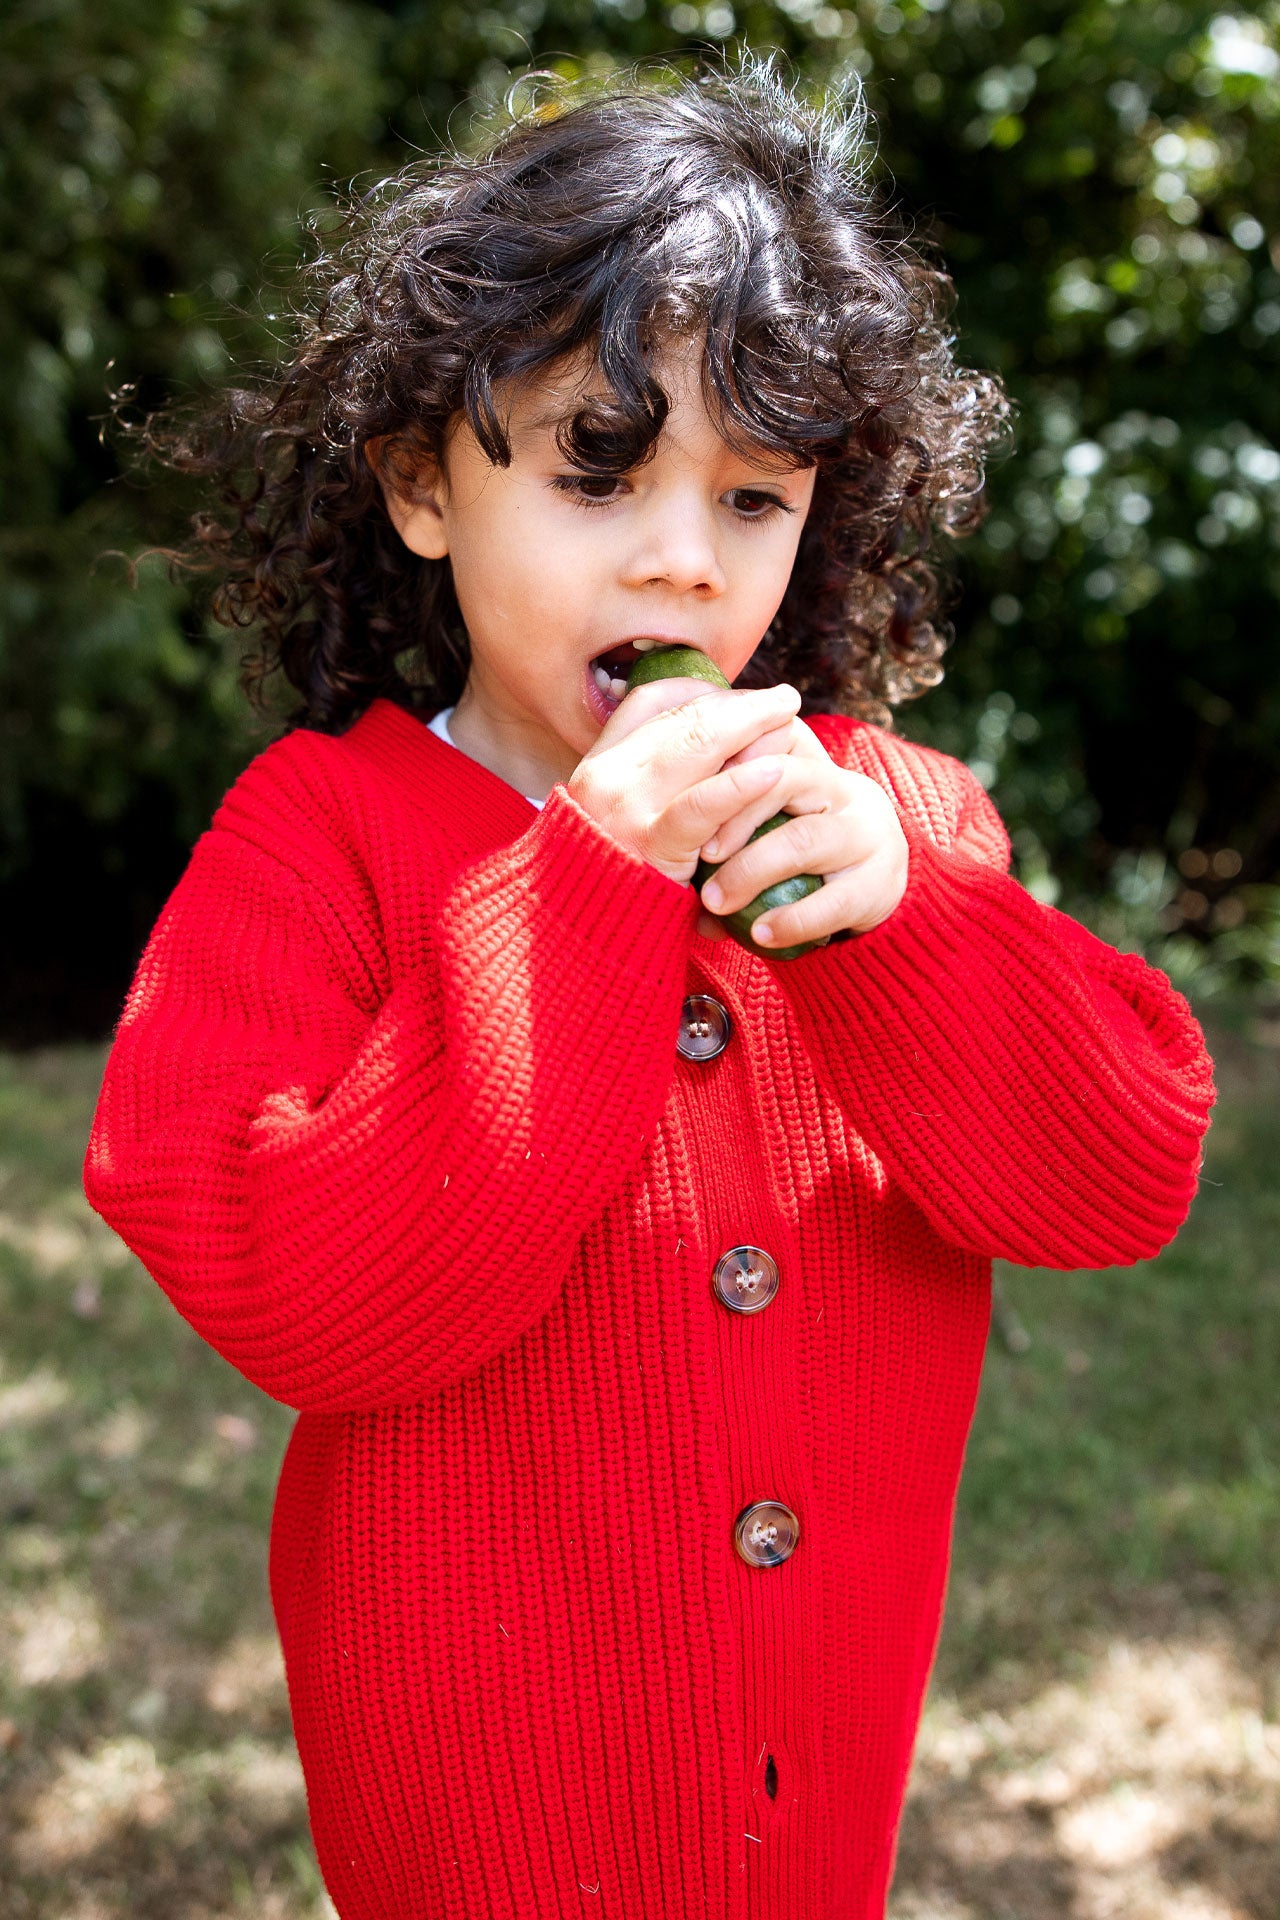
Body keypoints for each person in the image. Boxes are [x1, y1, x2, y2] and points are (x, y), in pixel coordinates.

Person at [83, 51, 1215, 1920]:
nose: (683, 558)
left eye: (754, 499)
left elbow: (1116, 1179)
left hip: (816, 1790)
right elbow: (299, 1294)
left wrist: (910, 926)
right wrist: (589, 890)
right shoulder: (324, 837)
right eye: (599, 470)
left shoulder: (890, 823)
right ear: (424, 487)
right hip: (474, 1813)